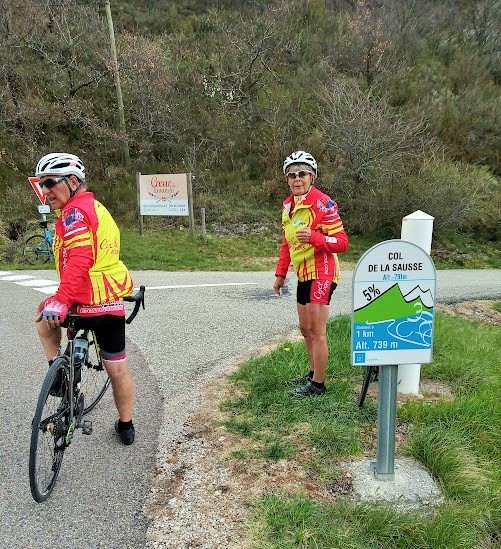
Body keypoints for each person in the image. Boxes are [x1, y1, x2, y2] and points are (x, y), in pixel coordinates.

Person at [34, 152, 137, 444]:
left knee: (43, 319)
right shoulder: (96, 208)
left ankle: (59, 377)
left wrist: (61, 299)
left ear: (72, 181)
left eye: (50, 183)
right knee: (117, 368)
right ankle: (126, 426)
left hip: (82, 301)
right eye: (42, 184)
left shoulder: (74, 213)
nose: (45, 191)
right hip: (111, 302)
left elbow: (81, 257)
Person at [274, 151, 349, 397]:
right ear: (287, 180)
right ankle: (313, 373)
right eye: (292, 175)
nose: (297, 179)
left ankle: (318, 385)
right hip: (303, 273)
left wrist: (315, 237)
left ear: (312, 177)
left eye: (302, 174)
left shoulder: (323, 204)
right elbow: (287, 243)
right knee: (305, 329)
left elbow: (342, 242)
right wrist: (280, 274)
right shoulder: (288, 206)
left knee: (317, 331)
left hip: (323, 271)